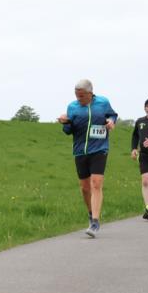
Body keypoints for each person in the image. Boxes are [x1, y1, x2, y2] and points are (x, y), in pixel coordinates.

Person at [57, 79, 117, 238]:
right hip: (80, 151)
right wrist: (65, 122)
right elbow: (68, 131)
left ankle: (96, 222)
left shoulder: (103, 102)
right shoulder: (72, 107)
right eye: (77, 96)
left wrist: (111, 122)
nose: (79, 99)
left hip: (99, 148)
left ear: (90, 93)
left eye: (82, 96)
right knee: (85, 187)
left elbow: (112, 115)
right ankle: (91, 214)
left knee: (96, 183)